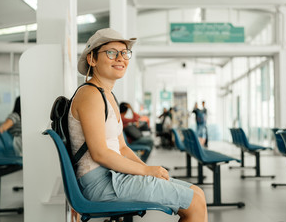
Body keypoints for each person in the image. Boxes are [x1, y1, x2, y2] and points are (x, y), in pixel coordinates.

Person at [69, 28, 207, 222]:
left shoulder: (107, 95)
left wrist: (147, 171)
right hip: (101, 183)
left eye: (124, 53)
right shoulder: (90, 95)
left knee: (197, 192)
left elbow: (122, 148)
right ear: (92, 59)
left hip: (112, 177)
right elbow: (100, 153)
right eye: (111, 52)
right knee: (194, 202)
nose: (120, 58)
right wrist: (146, 172)